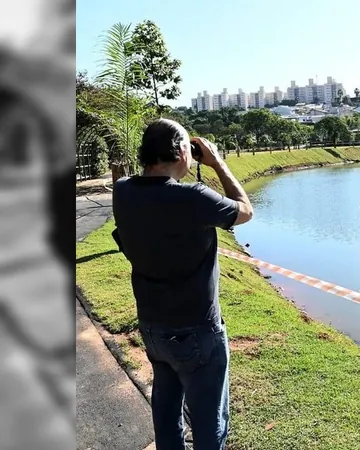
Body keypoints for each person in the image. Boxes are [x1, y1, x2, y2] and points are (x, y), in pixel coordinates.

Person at [112, 118, 253, 450]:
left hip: (152, 327)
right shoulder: (193, 198)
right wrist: (216, 161)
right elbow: (245, 211)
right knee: (208, 425)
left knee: (166, 416)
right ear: (179, 151)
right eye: (188, 148)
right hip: (197, 332)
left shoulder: (122, 192)